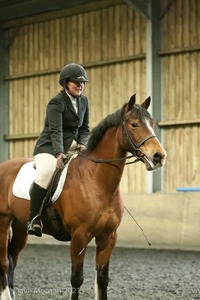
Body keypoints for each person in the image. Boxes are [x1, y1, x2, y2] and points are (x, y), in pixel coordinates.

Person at [27, 63, 90, 237]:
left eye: (82, 82)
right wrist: (58, 153)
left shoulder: (84, 101)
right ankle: (34, 219)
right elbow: (56, 130)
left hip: (69, 146)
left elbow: (85, 128)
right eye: (75, 82)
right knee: (46, 172)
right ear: (65, 83)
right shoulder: (56, 102)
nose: (80, 86)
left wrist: (83, 143)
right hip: (48, 147)